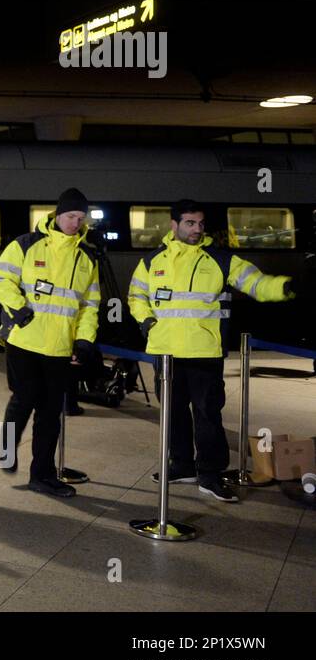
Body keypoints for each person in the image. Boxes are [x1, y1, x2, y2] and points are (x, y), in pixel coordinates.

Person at [128, 199, 298, 502]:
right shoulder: (152, 262)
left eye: (201, 224)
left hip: (204, 353)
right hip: (165, 353)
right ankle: (181, 466)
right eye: (190, 223)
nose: (197, 229)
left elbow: (255, 283)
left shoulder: (220, 259)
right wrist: (146, 321)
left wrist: (282, 287)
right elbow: (136, 296)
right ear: (174, 225)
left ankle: (210, 474)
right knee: (173, 414)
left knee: (208, 415)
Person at [0, 188, 101, 497]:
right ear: (57, 214)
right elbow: (1, 280)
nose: (74, 224)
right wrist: (19, 308)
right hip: (23, 339)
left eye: (80, 218)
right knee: (24, 397)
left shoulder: (86, 258)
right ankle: (7, 446)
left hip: (59, 347)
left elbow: (89, 306)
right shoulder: (26, 245)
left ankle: (42, 475)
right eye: (70, 217)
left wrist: (83, 341)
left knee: (51, 413)